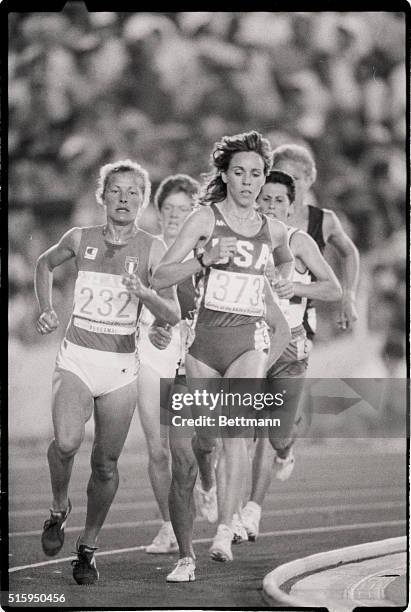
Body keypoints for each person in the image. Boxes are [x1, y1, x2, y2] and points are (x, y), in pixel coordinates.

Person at [152, 130, 293, 579]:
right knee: (203, 442)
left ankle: (225, 529)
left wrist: (284, 280)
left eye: (256, 174)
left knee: (237, 432)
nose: (249, 182)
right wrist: (205, 259)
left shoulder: (273, 228)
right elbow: (159, 277)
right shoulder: (204, 219)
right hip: (204, 344)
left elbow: (286, 259)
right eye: (240, 173)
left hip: (246, 341)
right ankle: (208, 488)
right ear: (226, 177)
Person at [34, 159, 180, 585]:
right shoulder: (80, 239)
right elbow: (44, 264)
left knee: (105, 465)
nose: (124, 199)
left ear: (144, 200)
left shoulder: (154, 249)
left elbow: (171, 311)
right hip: (77, 359)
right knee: (65, 443)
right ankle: (59, 508)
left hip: (120, 369)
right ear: (103, 196)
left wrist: (146, 294)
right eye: (116, 190)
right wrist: (46, 309)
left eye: (134, 192)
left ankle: (88, 548)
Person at [239, 169, 343, 541]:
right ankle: (248, 512)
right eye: (263, 198)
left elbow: (334, 289)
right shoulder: (237, 237)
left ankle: (289, 444)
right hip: (245, 343)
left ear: (291, 205)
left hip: (289, 348)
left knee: (278, 435)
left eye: (278, 200)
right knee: (247, 431)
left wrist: (296, 285)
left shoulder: (299, 242)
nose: (269, 205)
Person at [136, 174, 200, 554]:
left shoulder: (203, 254)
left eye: (183, 209)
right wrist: (154, 329)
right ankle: (167, 525)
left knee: (192, 450)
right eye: (168, 209)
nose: (175, 216)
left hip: (193, 352)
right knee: (157, 447)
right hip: (152, 348)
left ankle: (208, 490)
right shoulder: (147, 249)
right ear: (158, 213)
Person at [270, 143, 359, 337]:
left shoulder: (324, 221)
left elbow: (349, 252)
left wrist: (349, 296)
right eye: (279, 176)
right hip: (259, 317)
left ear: (311, 178)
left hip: (299, 319)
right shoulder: (258, 216)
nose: (286, 185)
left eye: (294, 178)